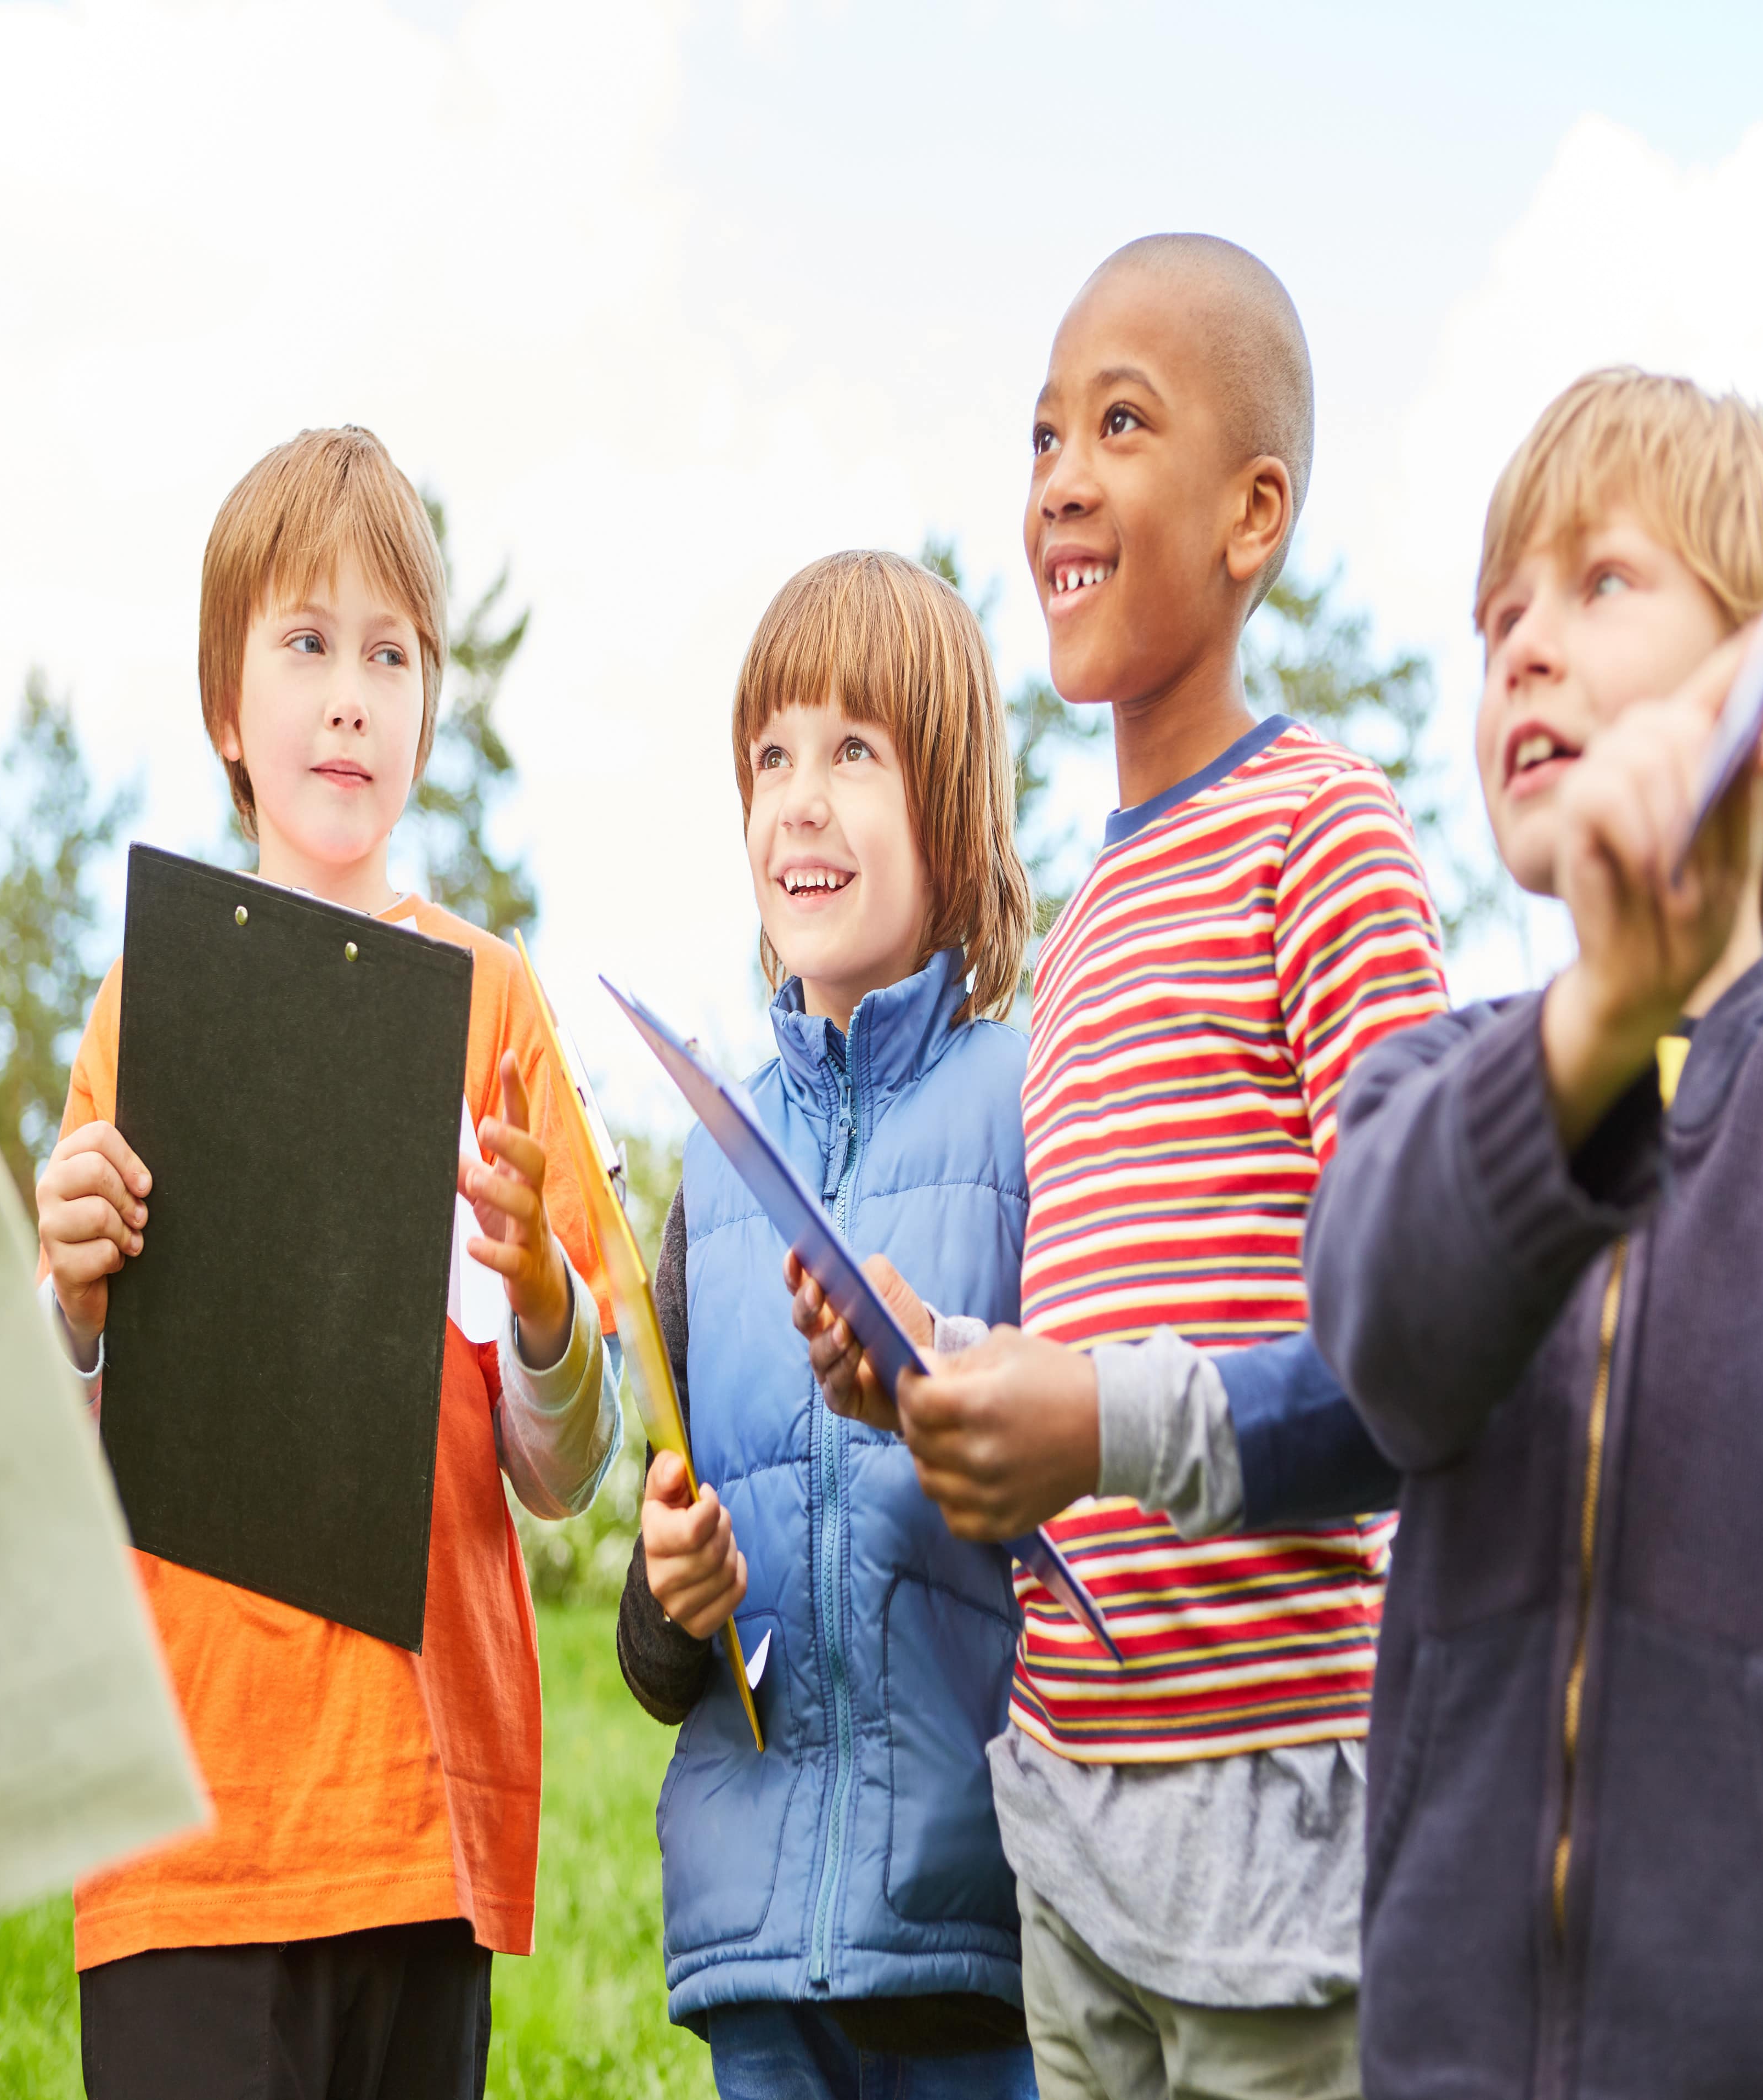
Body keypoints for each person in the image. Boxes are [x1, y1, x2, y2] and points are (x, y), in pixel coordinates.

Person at [796, 237, 1444, 2099]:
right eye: (1040, 432)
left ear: (1255, 517)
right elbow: (1098, 1358)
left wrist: (1088, 1420)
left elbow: (1407, 1349)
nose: (1058, 474)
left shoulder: (1322, 831)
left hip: (1275, 1830)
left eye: (1121, 422)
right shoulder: (1075, 939)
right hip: (1070, 1821)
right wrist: (935, 1373)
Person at [33, 426, 621, 2100]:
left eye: (391, 653)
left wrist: (541, 1300)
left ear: (431, 702)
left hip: (414, 1820)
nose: (349, 694)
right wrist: (72, 1308)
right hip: (182, 1820)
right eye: (305, 644)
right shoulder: (149, 1006)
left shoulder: (493, 1009)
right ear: (229, 705)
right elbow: (76, 1453)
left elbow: (564, 1463)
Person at [1303, 369, 1763, 2095]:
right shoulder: (1429, 1077)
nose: (1522, 647)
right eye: (1493, 621)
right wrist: (1595, 1024)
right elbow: (1385, 1334)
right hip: (1446, 2049)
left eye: (1599, 581)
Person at [613, 551, 1041, 2098]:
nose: (799, 797)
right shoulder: (709, 1176)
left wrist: (935, 1401)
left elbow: (1097, 1509)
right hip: (752, 1960)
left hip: (971, 1945)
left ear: (950, 801)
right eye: (770, 756)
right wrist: (674, 1590)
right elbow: (654, 1656)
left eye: (854, 749)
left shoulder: (1037, 1109)